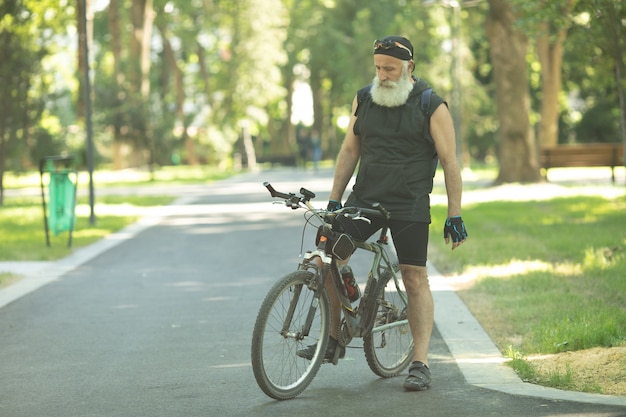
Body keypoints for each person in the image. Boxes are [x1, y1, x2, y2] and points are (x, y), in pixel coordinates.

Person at [297, 36, 468, 392]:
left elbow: (451, 162)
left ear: (409, 67)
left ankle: (420, 362)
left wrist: (455, 214)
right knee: (326, 252)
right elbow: (349, 149)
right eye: (378, 67)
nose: (383, 75)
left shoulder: (431, 105)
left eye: (389, 68)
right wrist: (334, 199)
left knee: (414, 277)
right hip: (366, 199)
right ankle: (334, 338)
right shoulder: (364, 98)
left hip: (409, 202)